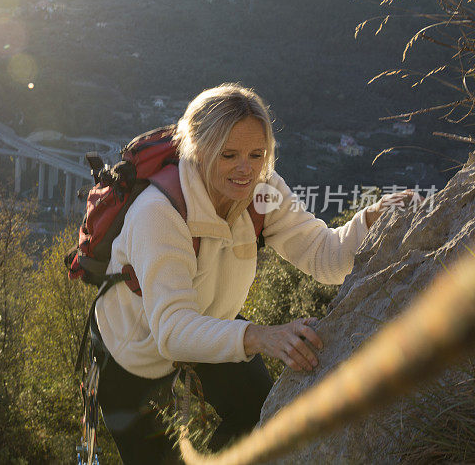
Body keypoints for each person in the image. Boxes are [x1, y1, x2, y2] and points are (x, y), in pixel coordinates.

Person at [92, 83, 416, 464]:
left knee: (261, 422)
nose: (245, 169)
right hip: (135, 348)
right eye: (228, 155)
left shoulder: (262, 192)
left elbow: (326, 259)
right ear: (196, 151)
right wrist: (262, 337)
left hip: (214, 321)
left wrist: (368, 221)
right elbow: (173, 332)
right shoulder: (159, 213)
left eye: (257, 154)